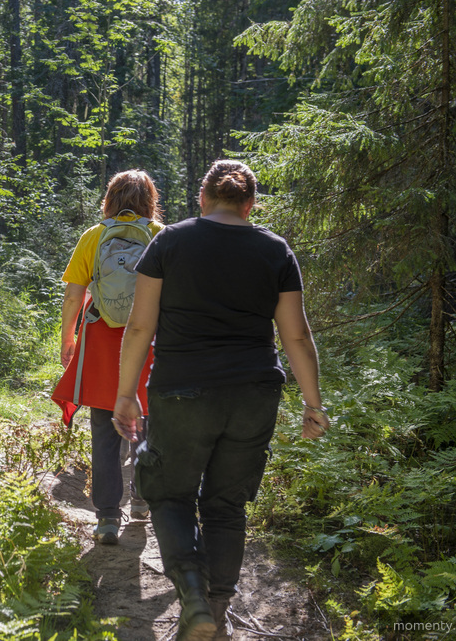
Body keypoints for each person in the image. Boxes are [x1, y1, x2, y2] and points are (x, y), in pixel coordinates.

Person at [112, 160, 330, 641]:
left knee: (169, 493)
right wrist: (314, 405)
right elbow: (296, 335)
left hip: (182, 388)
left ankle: (192, 597)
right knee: (227, 504)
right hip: (254, 392)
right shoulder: (275, 249)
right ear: (250, 204)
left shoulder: (169, 241)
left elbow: (141, 326)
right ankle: (219, 607)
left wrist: (125, 394)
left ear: (202, 197)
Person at [51, 170, 165, 545]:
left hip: (101, 340)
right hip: (148, 340)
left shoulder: (94, 236)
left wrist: (68, 337)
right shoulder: (160, 236)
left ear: (110, 199)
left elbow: (73, 295)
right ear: (150, 200)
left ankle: (107, 518)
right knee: (145, 419)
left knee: (104, 427)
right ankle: (143, 499)